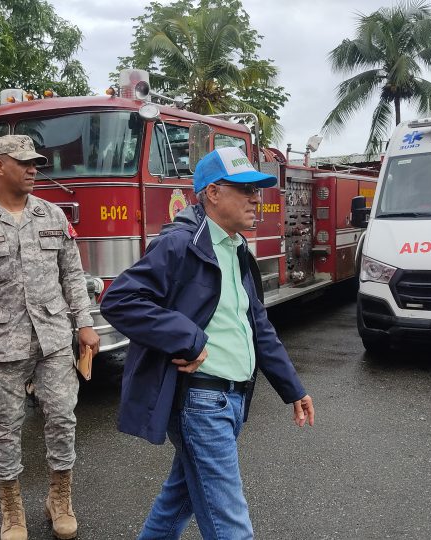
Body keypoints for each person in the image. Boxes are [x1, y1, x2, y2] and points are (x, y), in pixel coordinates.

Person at [101, 146, 315, 539]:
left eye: (258, 190)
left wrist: (292, 388)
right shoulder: (180, 243)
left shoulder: (235, 248)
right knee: (231, 526)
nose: (257, 198)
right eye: (244, 189)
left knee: (175, 502)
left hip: (232, 399)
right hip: (201, 402)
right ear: (213, 193)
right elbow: (119, 300)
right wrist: (187, 338)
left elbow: (257, 325)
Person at [0, 134, 100, 540]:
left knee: (62, 418)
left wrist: (85, 322)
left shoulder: (52, 216)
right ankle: (12, 511)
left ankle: (59, 499)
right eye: (24, 163)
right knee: (5, 428)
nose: (33, 169)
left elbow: (72, 275)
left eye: (35, 163)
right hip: (0, 345)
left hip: (54, 339)